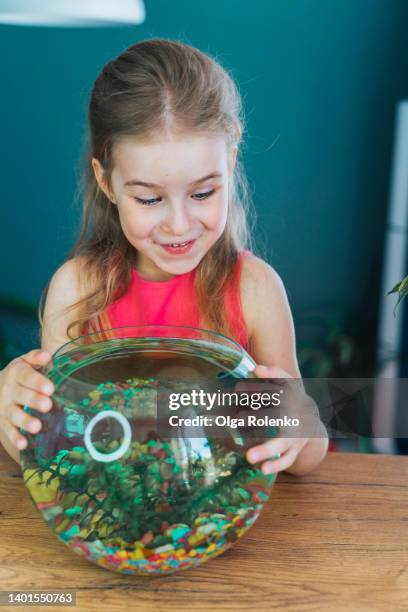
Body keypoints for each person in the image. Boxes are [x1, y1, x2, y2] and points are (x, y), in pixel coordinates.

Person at [0, 38, 328, 475]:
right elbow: (51, 447)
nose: (178, 224)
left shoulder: (255, 290)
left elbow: (307, 454)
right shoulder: (77, 289)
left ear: (230, 163)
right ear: (106, 181)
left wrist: (297, 425)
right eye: (150, 199)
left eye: (203, 193)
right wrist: (11, 410)